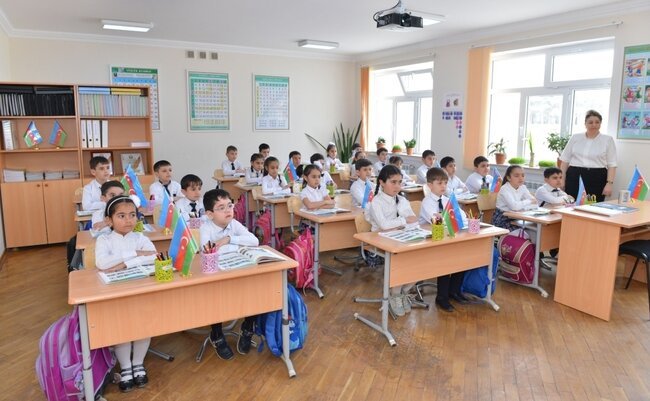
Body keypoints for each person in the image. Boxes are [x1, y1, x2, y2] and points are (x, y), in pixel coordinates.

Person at [95, 195, 157, 392]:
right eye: (121, 216)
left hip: (140, 289)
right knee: (122, 327)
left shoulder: (140, 238)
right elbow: (102, 263)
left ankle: (138, 363)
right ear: (109, 220)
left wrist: (123, 264)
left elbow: (153, 256)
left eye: (132, 215)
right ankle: (125, 366)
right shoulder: (104, 239)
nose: (128, 220)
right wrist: (136, 254)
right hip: (115, 292)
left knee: (143, 325)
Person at [200, 189, 259, 360]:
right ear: (210, 214)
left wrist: (228, 240)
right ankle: (216, 334)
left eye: (230, 205)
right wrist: (237, 246)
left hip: (239, 269)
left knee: (255, 292)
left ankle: (247, 328)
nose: (228, 210)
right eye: (221, 208)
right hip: (217, 274)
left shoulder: (234, 224)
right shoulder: (205, 228)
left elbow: (254, 241)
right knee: (216, 298)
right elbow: (209, 251)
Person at [364, 165, 418, 317]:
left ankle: (402, 292)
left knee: (421, 259)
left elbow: (414, 220)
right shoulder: (376, 202)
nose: (397, 186)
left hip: (400, 237)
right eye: (393, 182)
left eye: (399, 182)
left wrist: (401, 223)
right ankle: (394, 295)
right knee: (402, 259)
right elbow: (384, 226)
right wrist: (403, 221)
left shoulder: (402, 200)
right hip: (380, 241)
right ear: (381, 182)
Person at [418, 167, 469, 312]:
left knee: (463, 259)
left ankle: (454, 291)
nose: (443, 186)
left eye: (445, 183)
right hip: (431, 241)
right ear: (430, 185)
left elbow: (462, 216)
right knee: (446, 263)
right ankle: (442, 297)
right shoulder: (427, 202)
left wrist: (452, 217)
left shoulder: (447, 200)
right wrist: (448, 218)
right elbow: (436, 221)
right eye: (439, 183)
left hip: (448, 238)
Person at [560, 110, 617, 202]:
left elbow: (612, 164)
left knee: (594, 205)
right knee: (571, 203)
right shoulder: (575, 137)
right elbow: (565, 160)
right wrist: (562, 179)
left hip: (597, 177)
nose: (594, 125)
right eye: (590, 122)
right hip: (574, 176)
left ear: (600, 124)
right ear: (585, 124)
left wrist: (609, 184)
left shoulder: (608, 140)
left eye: (597, 122)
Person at [492, 165, 537, 230]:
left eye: (523, 175)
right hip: (503, 219)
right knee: (525, 231)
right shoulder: (504, 189)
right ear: (509, 178)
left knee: (532, 228)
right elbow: (514, 207)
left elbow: (535, 203)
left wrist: (522, 207)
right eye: (516, 176)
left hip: (516, 217)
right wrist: (528, 202)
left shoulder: (522, 187)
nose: (521, 178)